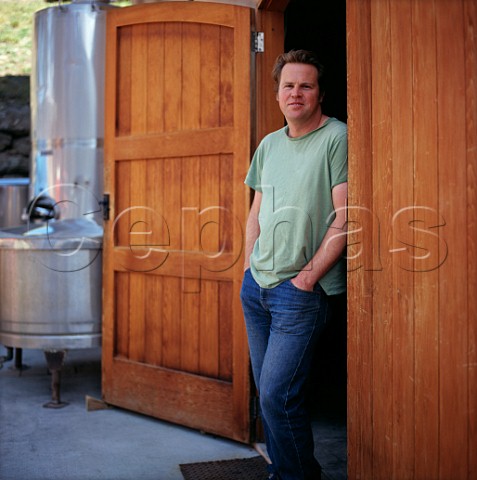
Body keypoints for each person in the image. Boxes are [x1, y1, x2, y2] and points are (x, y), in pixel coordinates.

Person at [240, 50, 348, 480]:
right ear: (278, 93)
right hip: (257, 288)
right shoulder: (269, 144)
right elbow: (255, 213)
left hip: (299, 293)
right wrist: (247, 269)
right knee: (271, 396)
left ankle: (297, 476)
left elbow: (346, 215)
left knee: (276, 394)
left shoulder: (336, 137)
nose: (296, 93)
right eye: (289, 85)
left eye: (306, 85)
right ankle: (283, 472)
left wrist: (307, 278)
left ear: (320, 93)